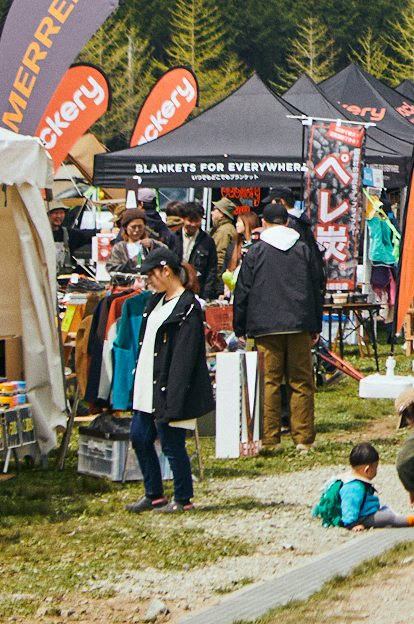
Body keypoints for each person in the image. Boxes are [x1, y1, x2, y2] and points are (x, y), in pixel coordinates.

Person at [121, 246, 212, 512]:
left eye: (151, 274)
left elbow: (185, 357)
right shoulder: (154, 301)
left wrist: (175, 394)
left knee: (172, 444)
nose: (147, 280)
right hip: (147, 385)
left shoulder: (188, 308)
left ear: (166, 270)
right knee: (139, 437)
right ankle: (154, 493)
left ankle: (183, 498)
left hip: (168, 387)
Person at [232, 198, 325, 451]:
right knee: (301, 382)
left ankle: (270, 439)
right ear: (287, 222)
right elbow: (317, 287)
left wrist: (239, 327)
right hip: (299, 324)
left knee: (269, 383)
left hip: (264, 327)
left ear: (263, 222)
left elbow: (243, 291)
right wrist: (315, 324)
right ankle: (304, 439)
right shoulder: (304, 249)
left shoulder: (255, 251)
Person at [330, 441, 414, 528]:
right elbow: (349, 505)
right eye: (375, 468)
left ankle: (407, 519)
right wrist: (352, 524)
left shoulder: (351, 478)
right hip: (363, 517)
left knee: (387, 512)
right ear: (367, 469)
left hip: (367, 511)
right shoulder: (354, 487)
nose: (376, 471)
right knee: (388, 518)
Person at [167, 201, 221, 301]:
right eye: (190, 220)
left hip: (197, 289)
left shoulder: (207, 241)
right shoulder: (173, 238)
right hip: (175, 286)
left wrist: (206, 295)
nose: (193, 224)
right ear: (183, 219)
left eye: (197, 221)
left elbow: (211, 269)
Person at [364, 194, 400, 314]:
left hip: (385, 257)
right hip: (386, 257)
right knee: (388, 294)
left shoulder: (386, 219)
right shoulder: (386, 219)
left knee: (387, 294)